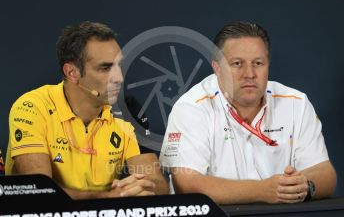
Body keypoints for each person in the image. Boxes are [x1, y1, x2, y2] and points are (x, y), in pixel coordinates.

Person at [159, 21, 337, 204]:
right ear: (217, 68)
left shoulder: (296, 103)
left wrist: (304, 186)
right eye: (237, 64)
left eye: (258, 63)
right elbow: (187, 185)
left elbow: (325, 173)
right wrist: (262, 191)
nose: (249, 74)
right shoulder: (191, 108)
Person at [5, 21, 168, 199]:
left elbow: (158, 185)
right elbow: (39, 193)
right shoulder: (32, 107)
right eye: (105, 68)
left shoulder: (127, 110)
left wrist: (133, 190)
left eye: (119, 65)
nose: (119, 78)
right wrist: (107, 198)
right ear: (72, 73)